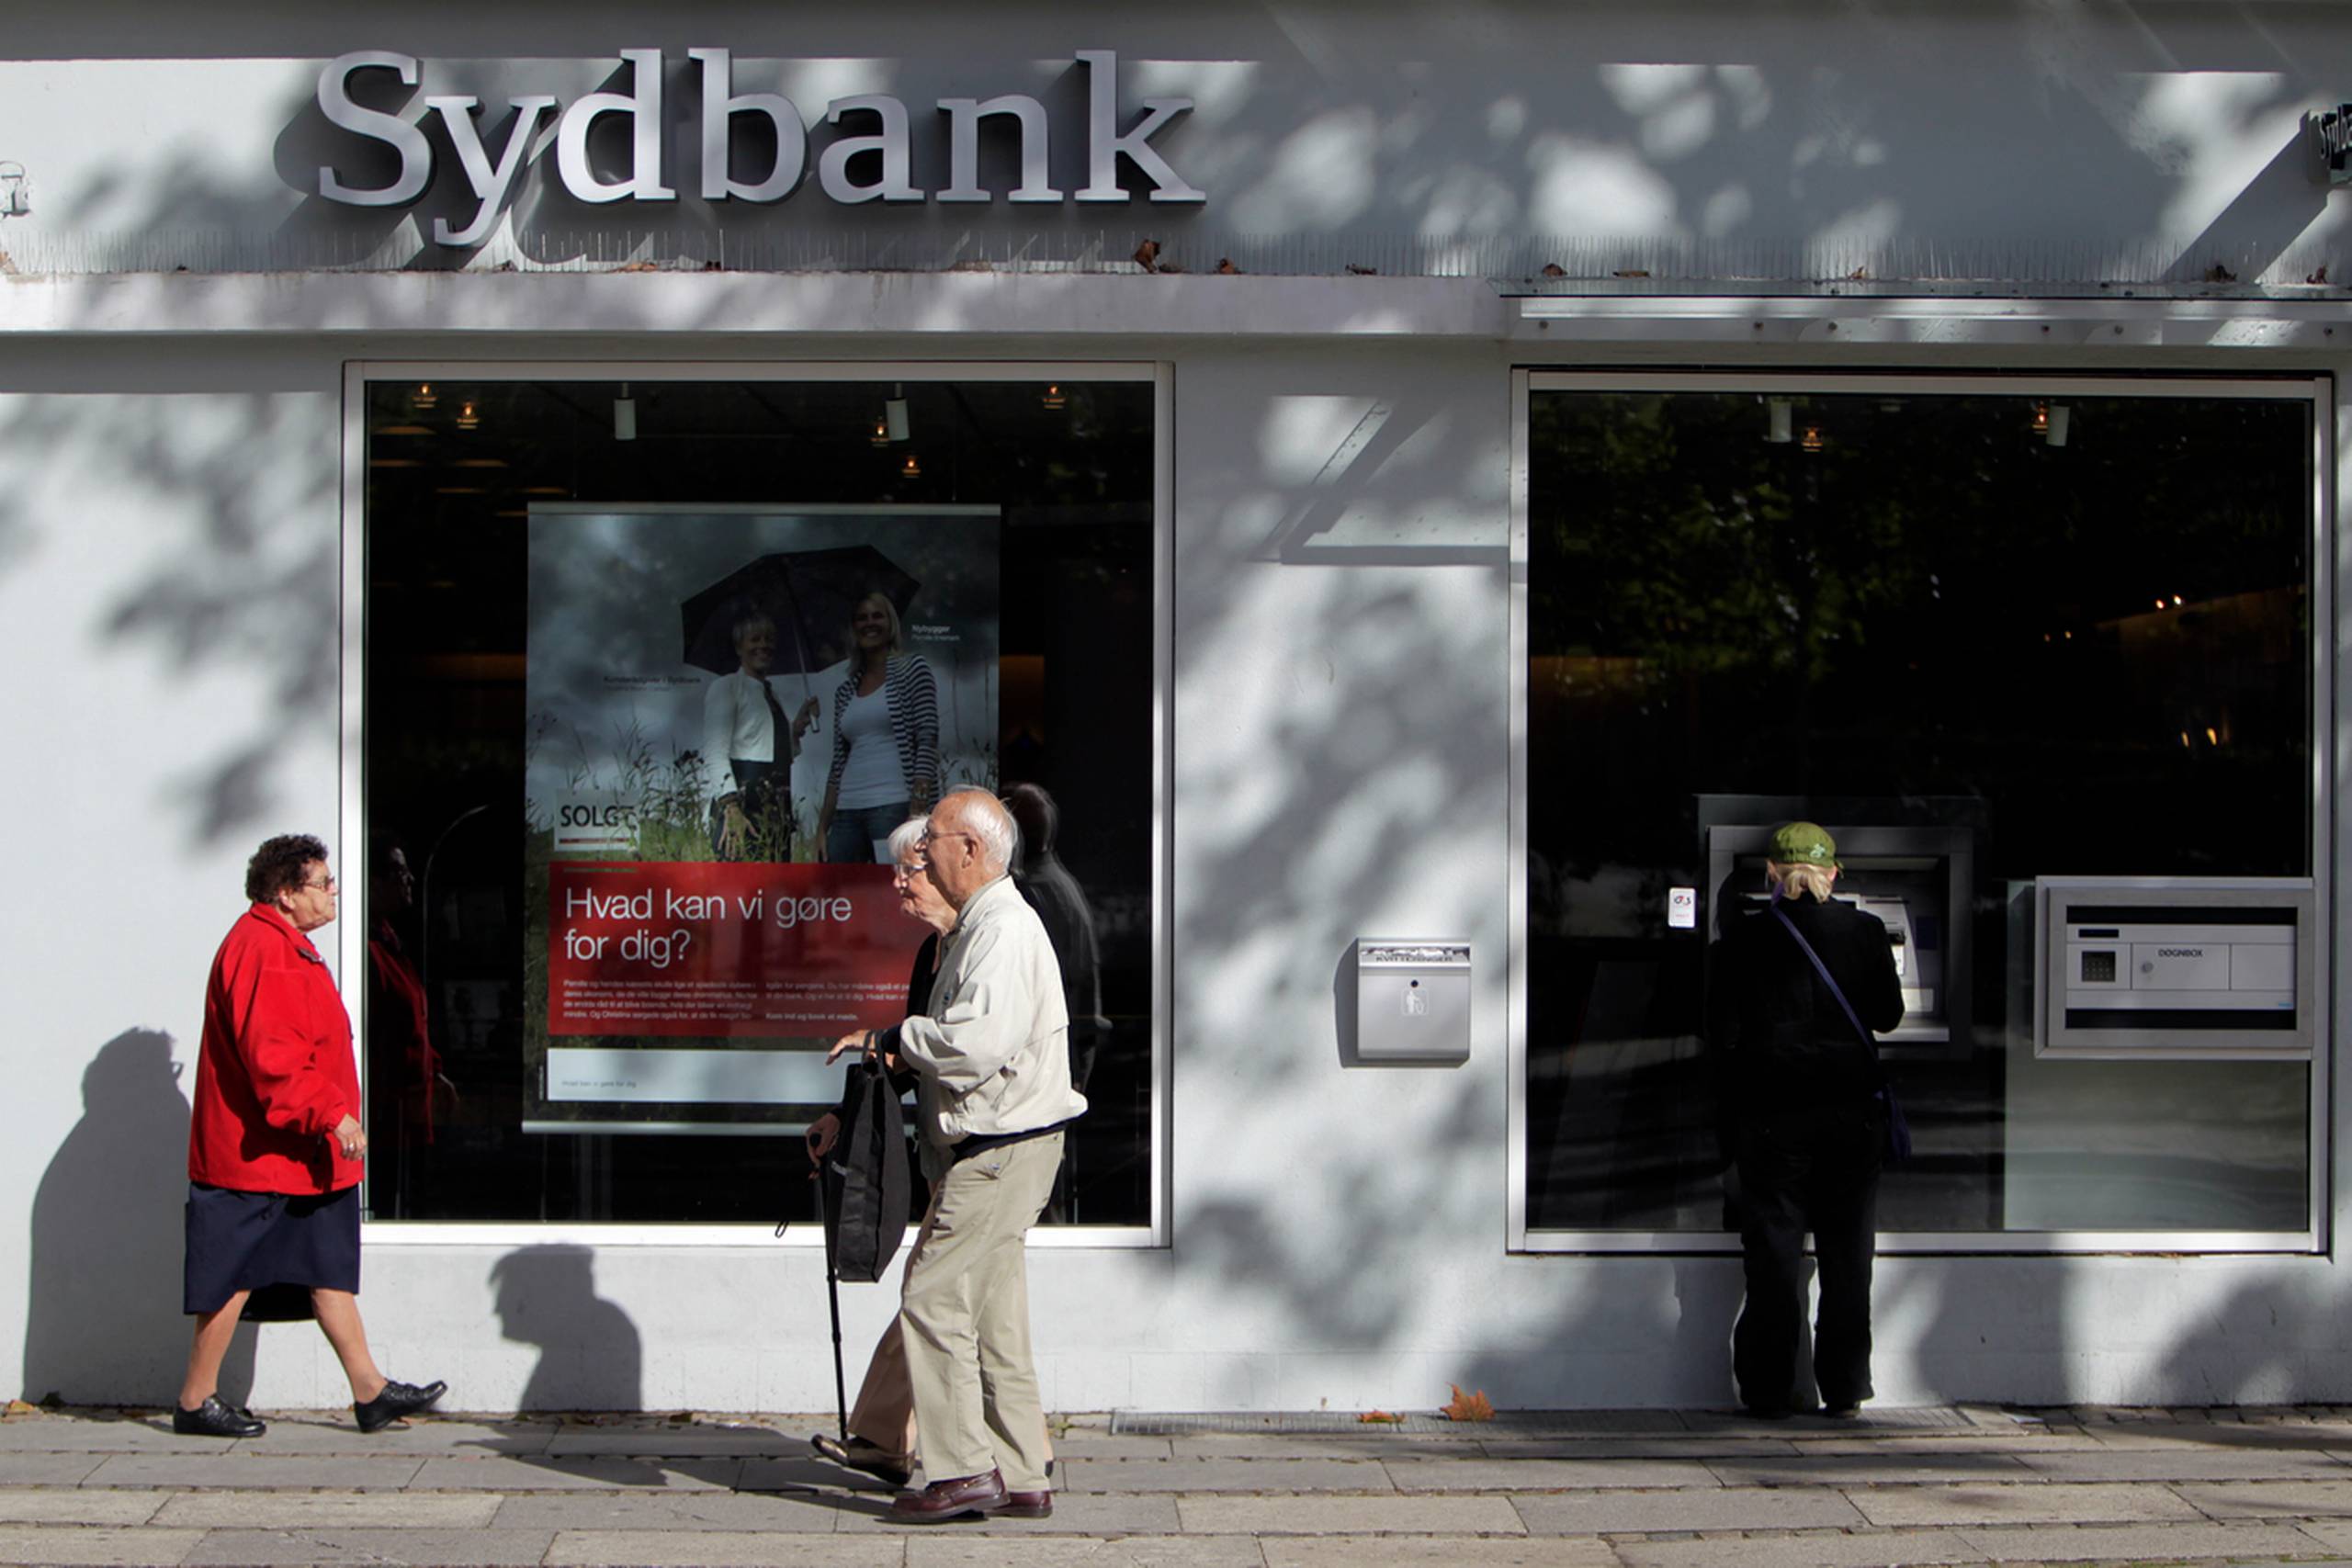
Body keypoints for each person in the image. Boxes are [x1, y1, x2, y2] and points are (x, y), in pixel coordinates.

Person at [827, 787, 1086, 1521]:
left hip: (1000, 1149)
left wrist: (892, 1039)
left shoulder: (1001, 929)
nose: (921, 851)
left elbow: (973, 1044)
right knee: (997, 1317)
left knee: (932, 1298)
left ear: (970, 848)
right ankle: (1020, 1470)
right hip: (1001, 1146)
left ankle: (963, 1471)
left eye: (932, 837)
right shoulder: (983, 926)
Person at [175, 833, 447, 1438]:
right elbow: (273, 1056)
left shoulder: (284, 945)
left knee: (326, 1266)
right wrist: (330, 1114)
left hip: (297, 1158)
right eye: (323, 882)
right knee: (233, 1275)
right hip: (259, 1159)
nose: (334, 891)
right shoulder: (262, 950)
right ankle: (195, 1400)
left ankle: (370, 1391)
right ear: (286, 893)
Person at [1706, 821, 1904, 1420]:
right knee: (1848, 1257)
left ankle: (1768, 1388)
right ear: (1833, 874)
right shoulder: (1867, 931)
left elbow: (1724, 1034)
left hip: (1774, 1120)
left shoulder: (1741, 940)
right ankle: (1844, 1385)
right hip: (1851, 1121)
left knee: (1773, 1255)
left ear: (1772, 873)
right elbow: (1889, 1016)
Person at [815, 592, 939, 864]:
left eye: (877, 616)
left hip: (893, 807)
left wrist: (917, 814)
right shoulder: (845, 690)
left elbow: (927, 741)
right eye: (862, 618)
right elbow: (838, 762)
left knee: (893, 892)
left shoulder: (912, 669)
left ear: (890, 623)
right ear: (853, 628)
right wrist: (823, 827)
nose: (869, 623)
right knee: (844, 897)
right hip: (847, 811)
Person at [705, 609, 821, 861]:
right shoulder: (726, 687)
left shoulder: (772, 695)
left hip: (775, 802)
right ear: (739, 647)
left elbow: (773, 752)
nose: (763, 646)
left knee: (776, 890)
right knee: (739, 887)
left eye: (768, 639)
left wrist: (796, 729)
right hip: (742, 804)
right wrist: (731, 807)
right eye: (755, 639)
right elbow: (714, 753)